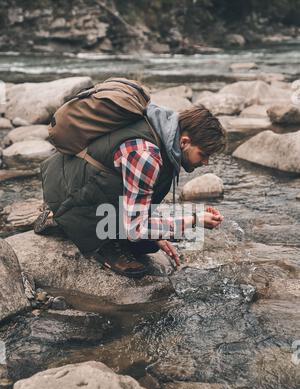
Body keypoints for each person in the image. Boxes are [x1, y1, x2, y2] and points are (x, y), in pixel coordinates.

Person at [35, 102, 227, 278]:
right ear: (184, 141)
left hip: (76, 183)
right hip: (69, 195)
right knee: (143, 239)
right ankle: (64, 220)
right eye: (203, 154)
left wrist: (158, 234)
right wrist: (194, 220)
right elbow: (136, 229)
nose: (205, 162)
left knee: (149, 244)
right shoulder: (147, 155)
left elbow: (141, 200)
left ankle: (74, 220)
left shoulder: (161, 132)